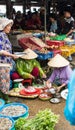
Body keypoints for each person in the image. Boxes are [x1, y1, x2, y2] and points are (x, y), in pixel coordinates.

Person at [0, 17, 19, 102]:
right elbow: (1, 51)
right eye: (8, 26)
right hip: (2, 63)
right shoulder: (1, 35)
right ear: (4, 27)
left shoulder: (4, 35)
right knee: (4, 82)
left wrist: (12, 55)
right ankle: (5, 100)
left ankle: (3, 100)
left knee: (4, 82)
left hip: (6, 63)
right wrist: (12, 55)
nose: (10, 27)